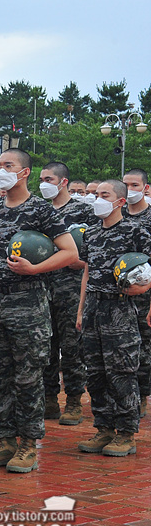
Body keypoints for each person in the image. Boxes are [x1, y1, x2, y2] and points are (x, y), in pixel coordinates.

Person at [0, 149, 77, 473]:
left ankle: (28, 445)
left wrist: (35, 269)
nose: (0, 170)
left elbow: (69, 252)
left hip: (28, 304)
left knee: (28, 377)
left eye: (7, 166)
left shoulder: (40, 210)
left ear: (24, 172)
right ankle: (4, 442)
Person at [75, 179, 151, 457]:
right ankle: (103, 428)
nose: (97, 199)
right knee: (95, 373)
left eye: (103, 195)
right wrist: (81, 310)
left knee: (121, 372)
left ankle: (127, 432)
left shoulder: (135, 231)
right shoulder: (91, 234)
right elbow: (87, 272)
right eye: (96, 195)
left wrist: (144, 290)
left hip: (120, 309)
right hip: (94, 307)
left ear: (120, 201)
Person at [38, 162, 96, 424]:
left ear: (63, 181)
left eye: (48, 179)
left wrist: (80, 262)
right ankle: (49, 399)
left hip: (72, 289)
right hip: (42, 288)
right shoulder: (38, 211)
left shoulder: (85, 211)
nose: (43, 184)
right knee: (45, 348)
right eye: (41, 179)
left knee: (72, 348)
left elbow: (99, 252)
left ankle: (73, 401)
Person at [122, 168, 151, 417]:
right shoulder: (115, 215)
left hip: (145, 294)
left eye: (134, 185)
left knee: (144, 347)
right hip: (118, 295)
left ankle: (141, 395)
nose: (129, 190)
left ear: (146, 188)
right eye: (126, 185)